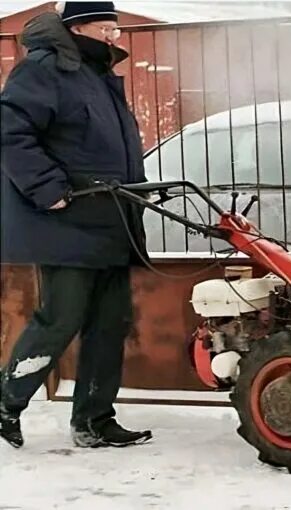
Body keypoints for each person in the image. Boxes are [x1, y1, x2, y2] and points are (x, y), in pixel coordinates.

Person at [0, 2, 152, 448]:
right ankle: (6, 400)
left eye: (117, 29)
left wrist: (140, 191)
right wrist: (48, 188)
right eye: (108, 27)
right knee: (61, 317)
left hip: (112, 220)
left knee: (110, 323)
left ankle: (94, 420)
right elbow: (10, 133)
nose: (115, 37)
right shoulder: (45, 70)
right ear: (78, 26)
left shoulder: (99, 76)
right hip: (66, 221)